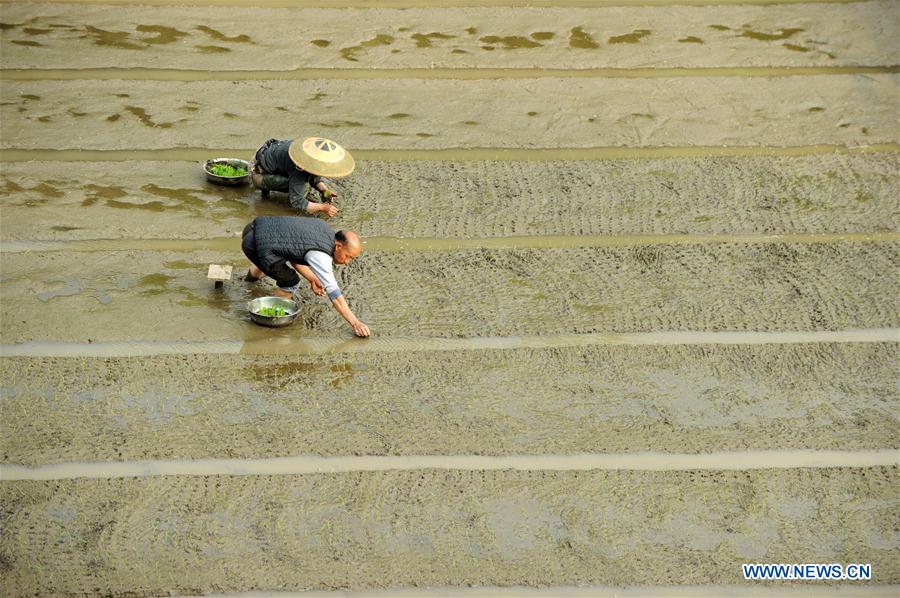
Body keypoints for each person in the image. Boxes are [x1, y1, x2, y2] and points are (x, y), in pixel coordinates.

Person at [241, 215, 370, 338]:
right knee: (291, 281)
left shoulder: (323, 228)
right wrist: (355, 323)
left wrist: (312, 278)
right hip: (253, 245)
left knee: (272, 256)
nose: (347, 262)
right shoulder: (322, 257)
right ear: (338, 246)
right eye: (348, 256)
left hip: (253, 228)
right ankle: (270, 316)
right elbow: (335, 295)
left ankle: (248, 282)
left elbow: (292, 251)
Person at [249, 136, 354, 218]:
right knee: (303, 187)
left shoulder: (305, 153)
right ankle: (264, 189)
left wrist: (324, 190)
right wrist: (323, 207)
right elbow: (297, 202)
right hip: (258, 173)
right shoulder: (298, 166)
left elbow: (312, 173)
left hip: (267, 156)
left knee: (303, 182)